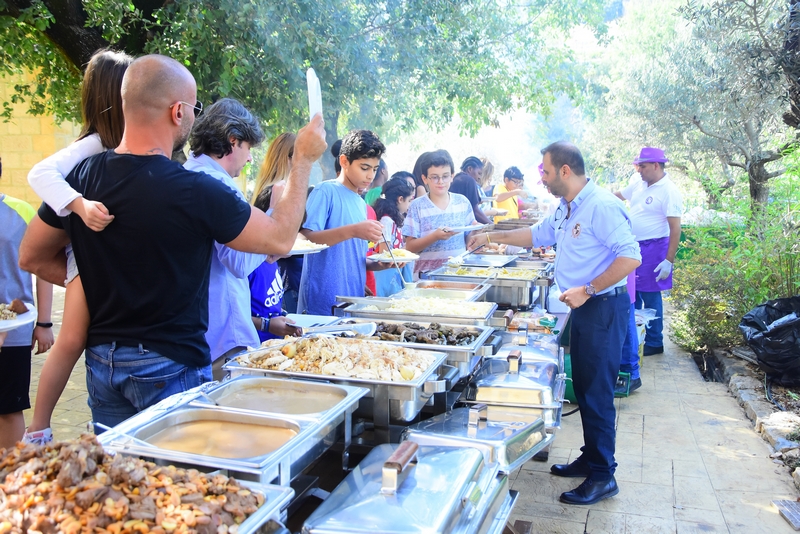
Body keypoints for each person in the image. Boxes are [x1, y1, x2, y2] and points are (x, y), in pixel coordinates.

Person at [19, 54, 327, 428]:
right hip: (169, 364)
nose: (196, 117)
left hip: (102, 362)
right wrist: (304, 162)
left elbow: (32, 255)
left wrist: (103, 285)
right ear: (178, 111)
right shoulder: (194, 190)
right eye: (195, 108)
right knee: (174, 482)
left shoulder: (80, 179)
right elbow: (279, 240)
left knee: (118, 480)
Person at [468, 141, 641, 505]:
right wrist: (489, 236)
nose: (541, 179)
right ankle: (591, 457)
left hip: (603, 307)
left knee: (596, 393)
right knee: (587, 384)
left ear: (565, 170)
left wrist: (589, 289)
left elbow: (631, 257)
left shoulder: (602, 206)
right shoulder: (567, 207)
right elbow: (536, 236)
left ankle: (603, 475)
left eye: (545, 171)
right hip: (586, 307)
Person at [24, 49, 132, 445]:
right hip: (85, 256)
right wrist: (79, 205)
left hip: (102, 259)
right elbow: (40, 172)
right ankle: (38, 429)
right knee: (71, 340)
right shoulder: (93, 145)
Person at [183, 97, 272, 380]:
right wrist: (270, 247)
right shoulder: (218, 183)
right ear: (233, 140)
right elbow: (238, 261)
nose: (248, 159)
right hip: (221, 334)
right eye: (247, 149)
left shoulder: (187, 172)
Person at [297, 129, 394, 315]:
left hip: (351, 299)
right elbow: (303, 239)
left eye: (374, 169)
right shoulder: (325, 191)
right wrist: (353, 230)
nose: (370, 176)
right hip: (323, 302)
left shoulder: (359, 201)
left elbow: (349, 256)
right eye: (364, 168)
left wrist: (377, 264)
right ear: (344, 161)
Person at [0, 166, 54, 450]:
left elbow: (43, 265)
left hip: (13, 329)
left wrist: (44, 323)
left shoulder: (21, 211)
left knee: (8, 407)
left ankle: (10, 478)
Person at [615, 147, 682, 356]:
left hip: (654, 248)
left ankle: (654, 341)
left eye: (642, 166)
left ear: (655, 165)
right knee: (633, 294)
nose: (639, 170)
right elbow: (616, 197)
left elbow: (675, 229)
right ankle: (637, 337)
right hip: (633, 246)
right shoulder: (638, 183)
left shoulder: (669, 190)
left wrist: (668, 260)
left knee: (651, 295)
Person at [252, 133, 305, 314]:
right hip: (278, 281)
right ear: (287, 158)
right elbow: (268, 240)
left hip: (285, 278)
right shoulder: (273, 194)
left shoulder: (282, 192)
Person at [403, 149, 479, 276]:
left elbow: (468, 242)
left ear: (452, 176)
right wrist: (435, 236)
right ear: (425, 179)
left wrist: (475, 231)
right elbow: (410, 247)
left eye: (445, 176)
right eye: (434, 177)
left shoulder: (463, 202)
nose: (440, 181)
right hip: (426, 277)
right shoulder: (417, 206)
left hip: (459, 274)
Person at [250, 188, 303, 343]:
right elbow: (233, 316)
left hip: (273, 344)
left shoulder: (272, 261)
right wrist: (267, 325)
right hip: (252, 347)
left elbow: (269, 305)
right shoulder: (247, 265)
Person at [373, 176, 416, 295]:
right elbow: (384, 253)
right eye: (409, 201)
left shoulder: (393, 220)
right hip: (385, 274)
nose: (409, 205)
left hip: (393, 271)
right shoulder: (386, 221)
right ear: (400, 199)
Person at [450, 156, 493, 224]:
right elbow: (475, 211)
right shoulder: (469, 181)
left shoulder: (456, 178)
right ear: (469, 169)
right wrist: (492, 224)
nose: (479, 177)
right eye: (479, 173)